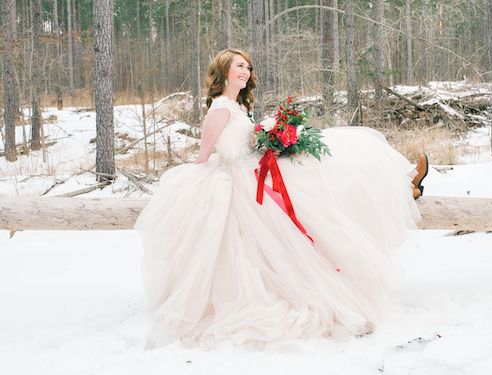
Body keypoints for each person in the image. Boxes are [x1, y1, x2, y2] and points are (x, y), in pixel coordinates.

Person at [134, 48, 426, 349]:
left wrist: (274, 140)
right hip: (243, 181)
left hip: (258, 170)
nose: (245, 72)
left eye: (247, 67)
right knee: (314, 187)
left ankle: (404, 182)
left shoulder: (236, 107)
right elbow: (205, 156)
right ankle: (405, 185)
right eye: (239, 66)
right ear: (223, 71)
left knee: (328, 161)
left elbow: (246, 142)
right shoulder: (220, 108)